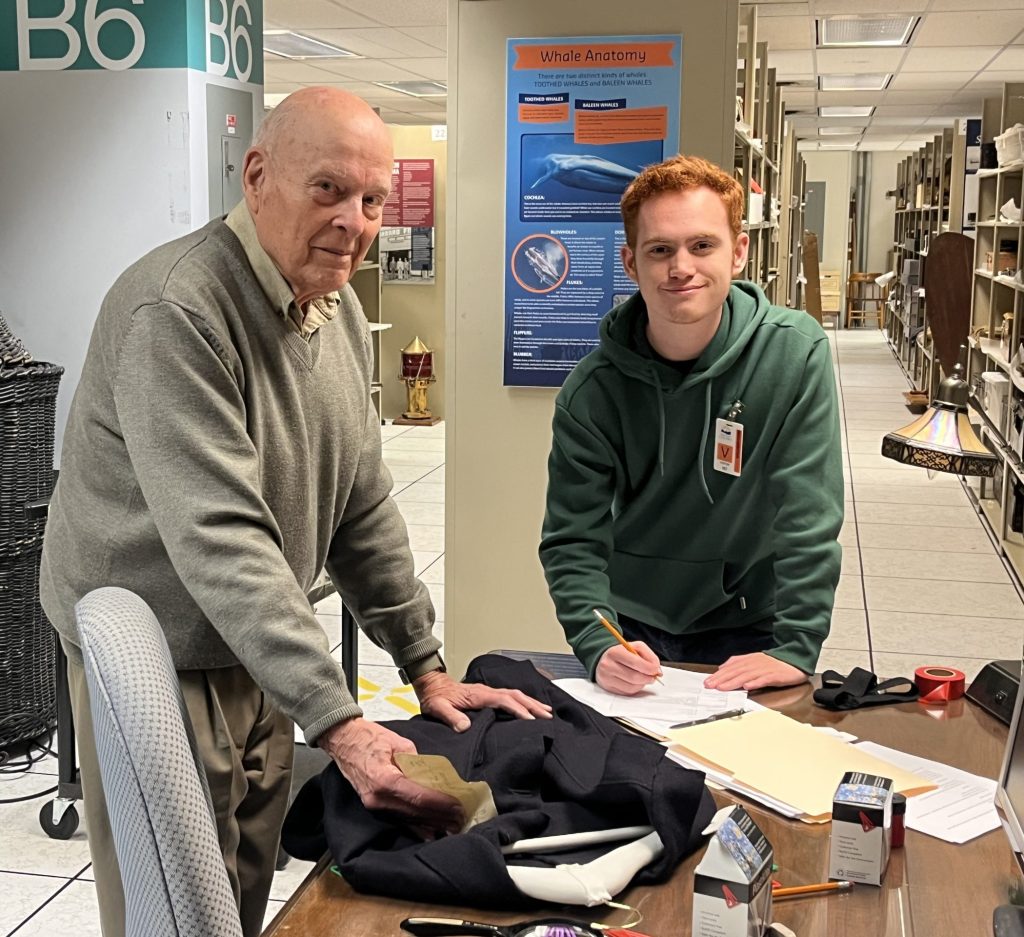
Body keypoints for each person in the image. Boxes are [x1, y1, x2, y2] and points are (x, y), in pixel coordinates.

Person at [39, 87, 550, 937]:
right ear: (257, 175)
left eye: (373, 199)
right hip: (160, 646)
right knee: (170, 909)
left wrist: (424, 664)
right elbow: (221, 537)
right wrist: (339, 721)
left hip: (252, 635)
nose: (354, 220)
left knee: (243, 875)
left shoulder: (336, 307)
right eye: (328, 189)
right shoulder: (177, 310)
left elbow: (361, 500)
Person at [539, 154, 843, 697]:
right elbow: (572, 539)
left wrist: (797, 646)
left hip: (753, 628)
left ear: (740, 251)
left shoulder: (794, 354)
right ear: (632, 264)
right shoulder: (591, 393)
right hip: (632, 630)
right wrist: (596, 640)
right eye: (661, 250)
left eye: (702, 245)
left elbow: (808, 514)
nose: (682, 267)